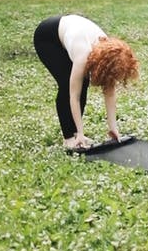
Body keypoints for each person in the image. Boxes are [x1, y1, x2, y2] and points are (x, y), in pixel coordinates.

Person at [34, 14, 139, 150]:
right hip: (47, 37)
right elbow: (74, 97)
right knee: (67, 84)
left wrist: (113, 128)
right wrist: (80, 132)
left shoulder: (112, 51)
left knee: (83, 82)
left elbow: (110, 91)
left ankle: (76, 133)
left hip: (71, 32)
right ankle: (69, 138)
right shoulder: (83, 55)